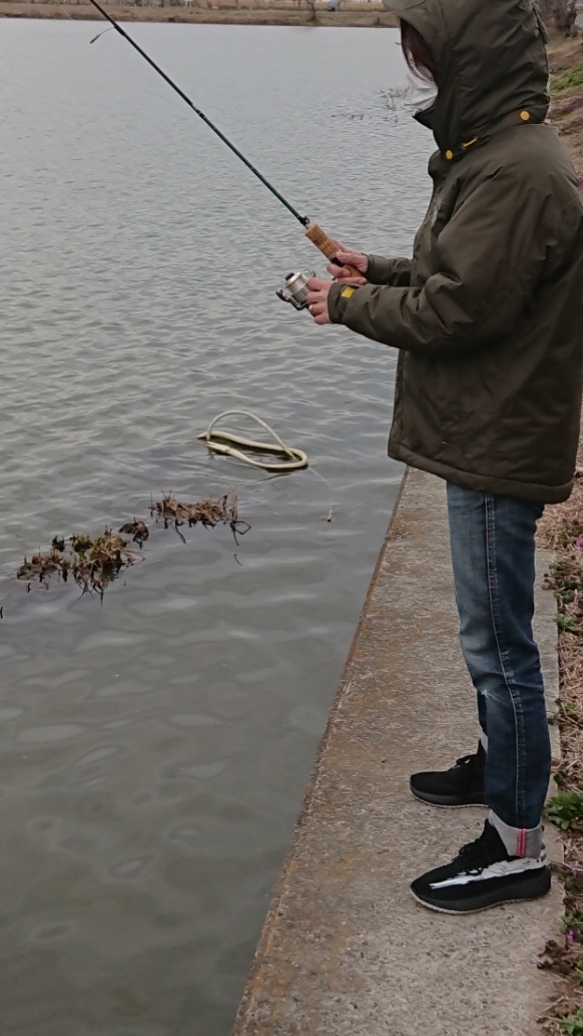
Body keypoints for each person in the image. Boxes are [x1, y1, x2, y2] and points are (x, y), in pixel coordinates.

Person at [306, 0, 583, 914]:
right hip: (484, 427)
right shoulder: (499, 156)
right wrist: (370, 267)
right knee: (488, 635)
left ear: (475, 59)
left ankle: (514, 844)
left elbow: (455, 313)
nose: (423, 75)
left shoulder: (517, 172)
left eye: (428, 58)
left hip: (495, 437)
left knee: (497, 642)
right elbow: (455, 273)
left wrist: (341, 307)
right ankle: (497, 766)